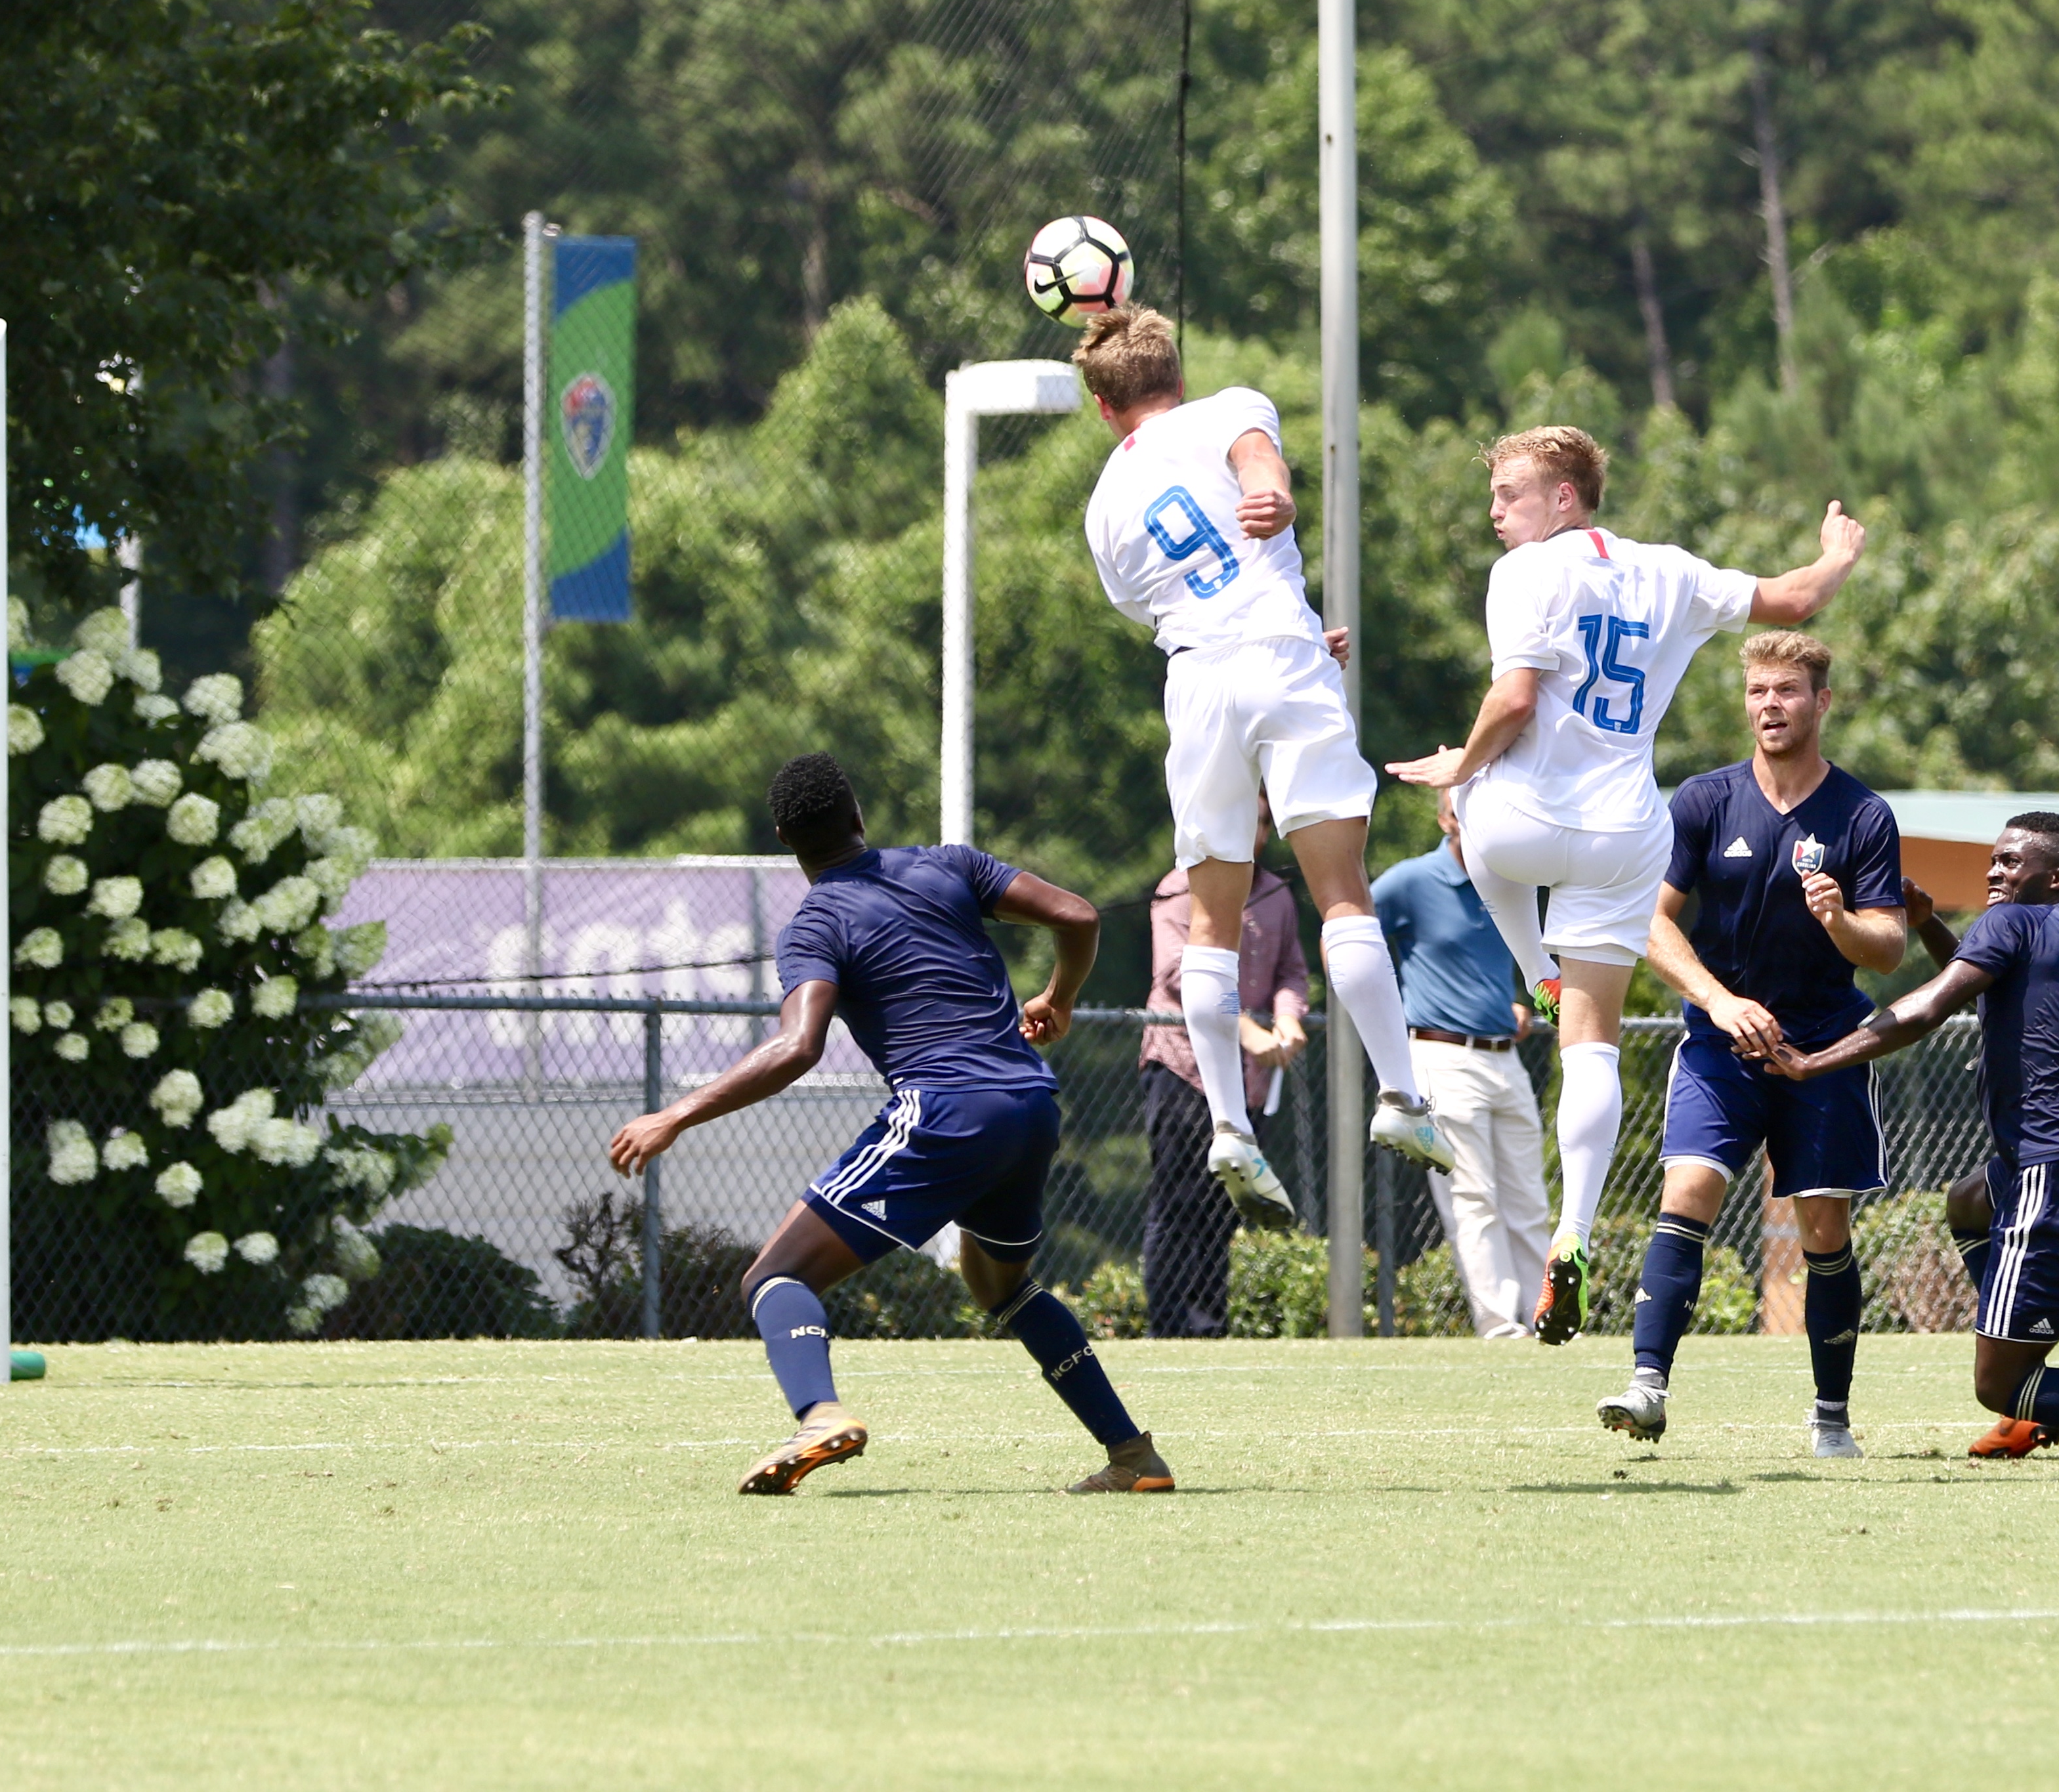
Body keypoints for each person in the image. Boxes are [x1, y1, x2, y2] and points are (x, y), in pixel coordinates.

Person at [1386, 425, 1864, 1346]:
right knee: (1592, 1044)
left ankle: (1533, 963)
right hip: (1625, 832)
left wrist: (1459, 765)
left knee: (1469, 791)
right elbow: (1795, 599)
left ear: (1566, 497)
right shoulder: (1671, 570)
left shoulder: (1525, 574)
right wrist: (1835, 556)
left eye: (1512, 494)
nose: (1496, 511)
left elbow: (1515, 700)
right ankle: (1574, 1234)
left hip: (1527, 824)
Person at [606, 754, 1170, 1496]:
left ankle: (817, 1415)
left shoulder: (815, 922)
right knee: (998, 1282)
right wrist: (1059, 998)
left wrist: (676, 1113)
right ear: (859, 816)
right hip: (1031, 1102)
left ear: (784, 837)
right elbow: (1078, 914)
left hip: (945, 1109)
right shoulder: (949, 866)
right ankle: (1132, 1455)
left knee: (774, 1275)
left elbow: (796, 1046)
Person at [1691, 815, 2059, 1464]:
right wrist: (1929, 924)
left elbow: (1929, 1008)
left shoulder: (2006, 925)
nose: (1994, 871)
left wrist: (1811, 1062)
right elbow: (1982, 988)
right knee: (1966, 1201)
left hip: (2055, 1170)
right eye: (1992, 861)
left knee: (1998, 1385)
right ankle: (2032, 1397)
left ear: (2057, 876)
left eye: (2011, 862)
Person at [1072, 305, 1450, 1227]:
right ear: (1176, 373)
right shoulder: (1229, 408)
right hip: (1282, 660)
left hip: (1199, 682)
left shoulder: (1103, 510)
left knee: (1210, 916)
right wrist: (1274, 502)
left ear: (1101, 406)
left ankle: (1232, 1129)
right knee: (1342, 894)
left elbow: (1168, 605)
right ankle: (1402, 1099)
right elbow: (1258, 468)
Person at [1637, 629, 1904, 1458]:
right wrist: (1717, 1002)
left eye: (1786, 691)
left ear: (1821, 701)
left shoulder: (1861, 815)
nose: (1769, 706)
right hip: (1722, 1046)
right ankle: (1647, 1385)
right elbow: (1647, 922)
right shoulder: (1702, 801)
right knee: (1687, 1194)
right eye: (1757, 692)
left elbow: (1890, 946)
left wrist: (1840, 920)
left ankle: (1830, 1418)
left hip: (1821, 1049)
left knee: (1823, 1229)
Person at [1371, 786, 1548, 1336]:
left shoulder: (1510, 881)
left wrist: (1514, 1006)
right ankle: (1499, 1325)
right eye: (1463, 810)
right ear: (1445, 817)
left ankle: (1548, 1321)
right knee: (1473, 1196)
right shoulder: (1409, 881)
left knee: (1530, 1198)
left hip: (1504, 1056)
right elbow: (1349, 939)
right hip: (1440, 1056)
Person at [1139, 793, 1311, 1335]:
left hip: (1247, 1077)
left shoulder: (1276, 894)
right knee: (1179, 1200)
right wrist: (1250, 1032)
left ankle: (1208, 1328)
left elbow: (1292, 972)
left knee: (1223, 1206)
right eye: (1246, 820)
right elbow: (1179, 975)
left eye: (1264, 823)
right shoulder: (1180, 886)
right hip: (1181, 1067)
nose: (1257, 833)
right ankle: (1167, 1329)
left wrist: (1288, 1020)